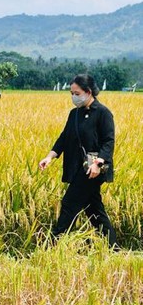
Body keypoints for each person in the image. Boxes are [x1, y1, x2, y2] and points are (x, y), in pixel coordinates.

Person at [38, 74, 116, 247]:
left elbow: (108, 141)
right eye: (71, 93)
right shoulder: (74, 114)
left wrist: (98, 163)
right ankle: (113, 247)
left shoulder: (102, 113)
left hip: (94, 166)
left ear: (88, 92)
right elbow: (64, 138)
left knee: (69, 203)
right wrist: (50, 157)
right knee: (94, 209)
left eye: (76, 93)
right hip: (77, 166)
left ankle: (53, 245)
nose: (73, 97)